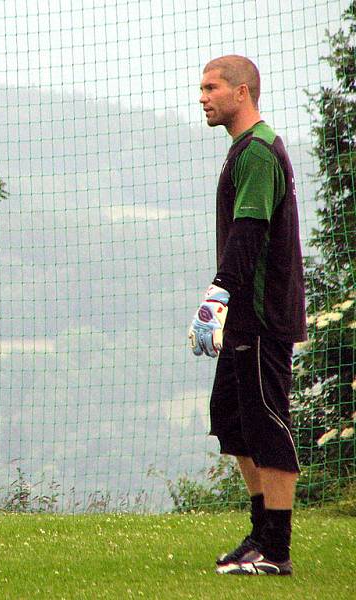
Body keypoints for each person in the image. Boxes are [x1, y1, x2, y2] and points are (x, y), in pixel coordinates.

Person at [189, 55, 307, 576]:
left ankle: (276, 550)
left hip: (261, 315)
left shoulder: (259, 150)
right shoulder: (242, 149)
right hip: (243, 318)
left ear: (243, 93)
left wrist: (217, 297)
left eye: (212, 87)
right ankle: (259, 535)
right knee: (234, 424)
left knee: (267, 424)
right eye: (201, 88)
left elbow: (250, 231)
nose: (203, 97)